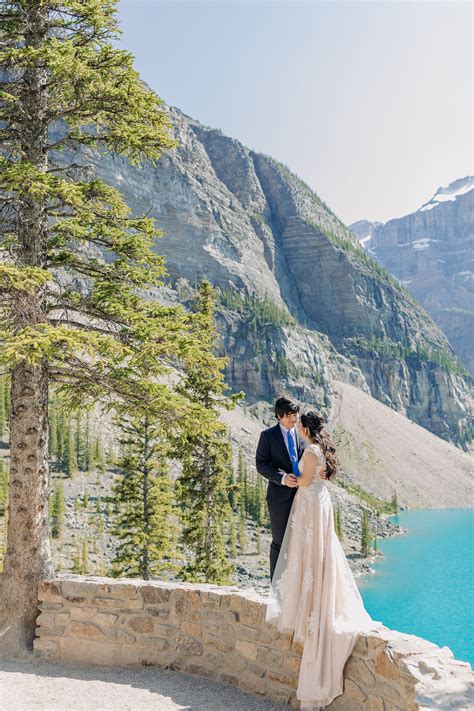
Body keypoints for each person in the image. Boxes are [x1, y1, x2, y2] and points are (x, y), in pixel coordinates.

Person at [265, 410, 382, 710]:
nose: (297, 426)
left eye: (299, 423)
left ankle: (313, 603)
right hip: (317, 505)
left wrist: (291, 479)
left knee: (311, 554)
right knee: (316, 554)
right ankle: (312, 597)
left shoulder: (312, 450)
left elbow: (305, 482)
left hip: (311, 504)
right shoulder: (319, 448)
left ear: (305, 427)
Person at [256, 396, 304, 579]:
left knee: (299, 541)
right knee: (280, 542)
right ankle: (276, 585)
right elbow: (260, 464)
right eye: (289, 416)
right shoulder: (267, 436)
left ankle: (295, 582)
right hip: (279, 498)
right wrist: (282, 478)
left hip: (302, 495)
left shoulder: (301, 433)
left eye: (295, 414)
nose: (293, 419)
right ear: (278, 417)